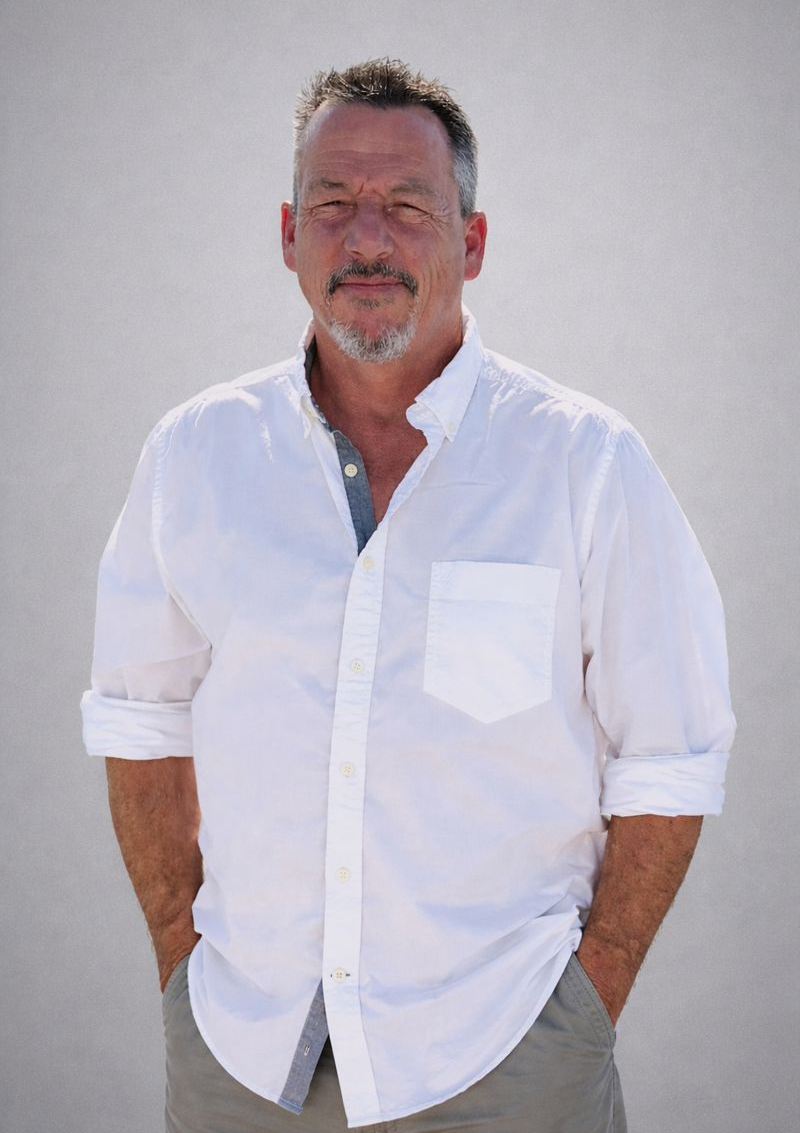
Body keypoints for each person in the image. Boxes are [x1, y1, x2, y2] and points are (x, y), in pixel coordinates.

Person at [80, 58, 736, 1133]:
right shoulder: (196, 455)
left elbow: (670, 748)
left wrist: (588, 995)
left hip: (504, 1056)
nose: (367, 238)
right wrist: (178, 967)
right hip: (243, 1058)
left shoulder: (582, 463)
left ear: (470, 242)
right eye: (333, 204)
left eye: (405, 206)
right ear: (288, 234)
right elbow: (138, 718)